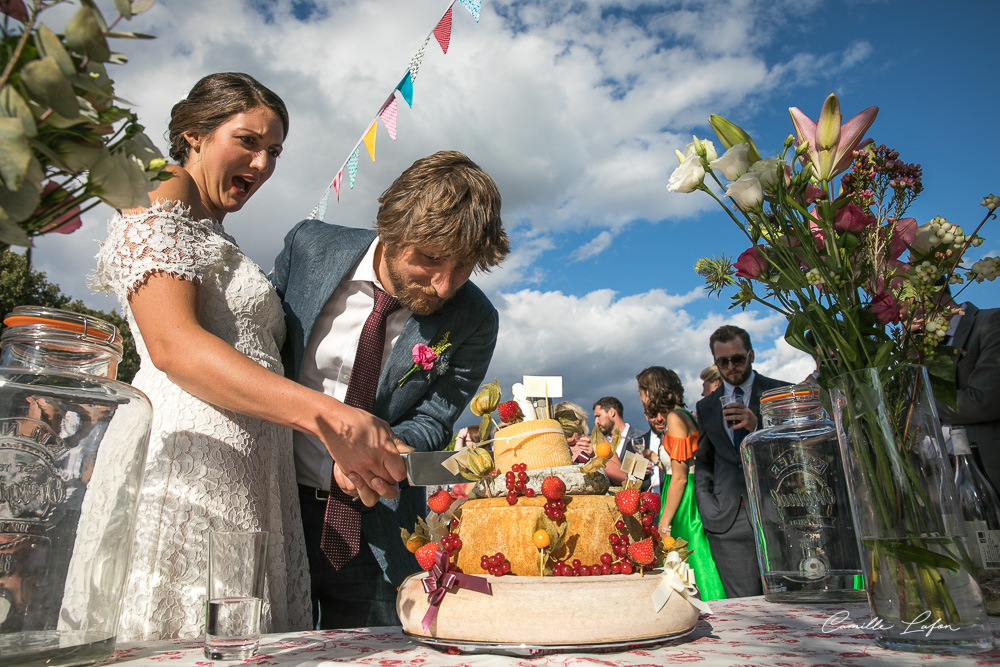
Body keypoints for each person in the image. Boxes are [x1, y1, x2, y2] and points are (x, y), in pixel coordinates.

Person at [92, 73, 406, 641]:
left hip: (252, 472)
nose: (263, 165)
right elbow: (173, 344)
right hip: (194, 456)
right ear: (193, 134)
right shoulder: (161, 187)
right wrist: (327, 414)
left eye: (275, 152)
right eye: (248, 142)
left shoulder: (219, 233)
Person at [271, 150, 509, 629]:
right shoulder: (309, 247)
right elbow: (263, 350)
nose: (444, 286)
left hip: (376, 528)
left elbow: (434, 421)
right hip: (275, 508)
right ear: (392, 229)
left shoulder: (475, 319)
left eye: (464, 268)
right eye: (431, 259)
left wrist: (385, 455)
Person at [694, 325, 788, 598]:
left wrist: (757, 426)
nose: (731, 367)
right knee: (744, 607)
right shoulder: (707, 406)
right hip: (727, 520)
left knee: (791, 604)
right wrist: (708, 506)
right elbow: (705, 462)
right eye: (723, 362)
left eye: (738, 359)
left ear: (751, 355)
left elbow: (795, 452)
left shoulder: (779, 393)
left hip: (777, 513)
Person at [636, 366, 726, 601]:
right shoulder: (683, 415)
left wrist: (664, 521)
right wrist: (652, 457)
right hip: (684, 493)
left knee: (692, 558)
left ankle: (711, 605)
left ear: (654, 391)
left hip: (685, 500)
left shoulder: (675, 418)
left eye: (642, 392)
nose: (641, 398)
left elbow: (680, 476)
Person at [930, 292, 1000, 490]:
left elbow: (985, 400)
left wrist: (918, 402)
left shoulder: (991, 323)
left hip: (985, 477)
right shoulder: (914, 345)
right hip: (935, 484)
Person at [593, 397, 655, 489]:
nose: (596, 421)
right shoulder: (600, 443)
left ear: (612, 412)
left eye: (598, 416)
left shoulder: (642, 438)